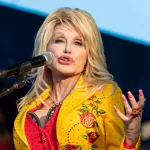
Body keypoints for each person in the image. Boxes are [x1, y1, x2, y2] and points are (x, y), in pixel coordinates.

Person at [13, 7, 145, 150]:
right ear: (45, 50)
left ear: (89, 55)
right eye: (59, 40)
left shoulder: (105, 94)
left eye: (78, 43)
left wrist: (131, 138)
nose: (67, 49)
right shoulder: (28, 107)